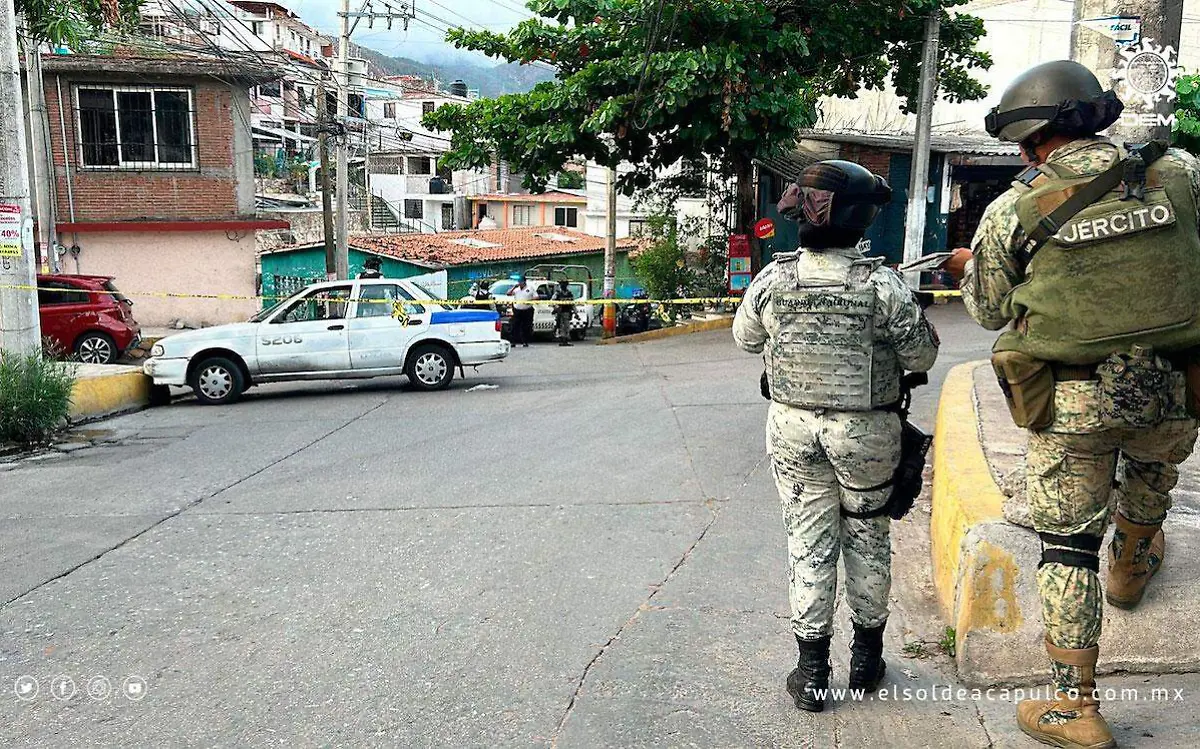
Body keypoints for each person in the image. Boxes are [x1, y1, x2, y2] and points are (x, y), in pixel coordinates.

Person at [944, 59, 1200, 749]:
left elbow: (992, 310)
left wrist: (968, 267)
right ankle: (1132, 565)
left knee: (1066, 544)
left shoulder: (1011, 211)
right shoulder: (1180, 175)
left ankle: (1073, 706)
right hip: (1177, 387)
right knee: (1152, 471)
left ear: (1031, 142)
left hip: (1073, 401)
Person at [733, 160, 939, 713]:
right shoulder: (882, 284)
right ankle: (866, 658)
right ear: (862, 217)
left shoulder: (773, 279)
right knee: (867, 537)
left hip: (792, 427)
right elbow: (922, 354)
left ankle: (810, 669)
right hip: (867, 432)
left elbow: (746, 338)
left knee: (808, 542)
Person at [510, 276, 536, 347]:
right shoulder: (516, 289)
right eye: (519, 282)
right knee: (515, 326)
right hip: (517, 310)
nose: (519, 283)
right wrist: (514, 287)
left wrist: (530, 301)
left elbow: (536, 297)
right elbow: (508, 293)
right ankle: (513, 341)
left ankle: (525, 341)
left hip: (527, 310)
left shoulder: (530, 288)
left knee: (526, 327)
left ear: (524, 282)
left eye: (521, 282)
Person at [552, 278, 576, 347]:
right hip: (560, 312)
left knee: (567, 326)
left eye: (565, 284)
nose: (563, 286)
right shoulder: (557, 294)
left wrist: (576, 313)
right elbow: (552, 302)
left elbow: (572, 304)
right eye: (562, 284)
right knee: (561, 326)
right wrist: (556, 308)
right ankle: (563, 340)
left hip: (567, 312)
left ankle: (566, 340)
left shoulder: (569, 294)